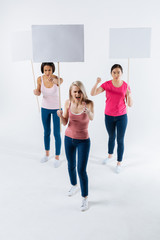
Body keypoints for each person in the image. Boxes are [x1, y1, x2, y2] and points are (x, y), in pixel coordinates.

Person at [57, 81, 94, 211]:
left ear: (83, 92)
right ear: (71, 92)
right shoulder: (68, 103)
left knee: (81, 170)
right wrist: (61, 116)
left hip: (83, 140)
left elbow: (92, 117)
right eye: (75, 91)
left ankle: (85, 197)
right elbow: (65, 122)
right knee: (70, 165)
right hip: (68, 139)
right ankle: (74, 185)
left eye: (79, 91)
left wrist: (88, 112)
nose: (77, 94)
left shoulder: (88, 103)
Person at [91, 64, 133, 173]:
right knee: (111, 136)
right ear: (111, 73)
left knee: (120, 139)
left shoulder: (126, 86)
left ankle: (119, 162)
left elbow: (130, 104)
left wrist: (129, 95)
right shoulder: (107, 84)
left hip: (121, 116)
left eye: (118, 72)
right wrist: (97, 82)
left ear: (122, 73)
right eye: (114, 72)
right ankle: (110, 156)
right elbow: (93, 93)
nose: (116, 74)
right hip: (109, 116)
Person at [33, 62, 63, 168]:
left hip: (56, 109)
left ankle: (57, 157)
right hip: (45, 108)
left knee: (57, 133)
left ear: (53, 69)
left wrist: (54, 80)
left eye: (49, 70)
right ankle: (46, 154)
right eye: (45, 70)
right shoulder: (39, 79)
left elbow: (60, 82)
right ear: (43, 70)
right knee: (46, 132)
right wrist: (36, 92)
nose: (47, 72)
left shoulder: (57, 78)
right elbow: (39, 92)